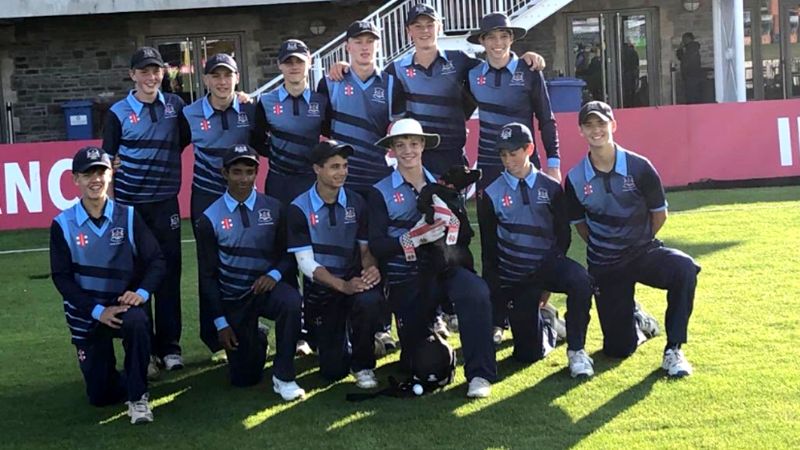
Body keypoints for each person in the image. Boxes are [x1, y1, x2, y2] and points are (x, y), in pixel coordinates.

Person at [329, 4, 545, 179]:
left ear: (439, 28)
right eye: (418, 26)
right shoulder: (396, 69)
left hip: (452, 155)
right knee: (422, 225)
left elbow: (494, 67)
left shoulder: (459, 59)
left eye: (430, 25)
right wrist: (344, 66)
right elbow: (371, 80)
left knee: (455, 226)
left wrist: (525, 57)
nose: (424, 31)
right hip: (417, 157)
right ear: (409, 32)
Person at [564, 101, 700, 378]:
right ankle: (636, 317)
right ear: (581, 131)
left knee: (684, 268)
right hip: (605, 263)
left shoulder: (639, 167)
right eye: (589, 125)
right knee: (618, 349)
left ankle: (674, 349)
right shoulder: (575, 178)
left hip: (642, 253)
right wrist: (608, 247)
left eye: (601, 123)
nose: (596, 130)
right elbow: (581, 227)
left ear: (613, 125)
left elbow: (658, 215)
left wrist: (637, 242)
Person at [368, 118, 496, 398]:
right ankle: (427, 348)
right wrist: (411, 239)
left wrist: (448, 228)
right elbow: (377, 245)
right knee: (421, 362)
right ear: (391, 149)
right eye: (400, 145)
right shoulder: (379, 191)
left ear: (423, 145)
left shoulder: (443, 182)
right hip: (407, 279)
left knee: (476, 292)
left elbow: (464, 235)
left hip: (445, 270)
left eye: (414, 143)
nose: (408, 150)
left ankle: (479, 375)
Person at [50, 146, 165, 424]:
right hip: (88, 312)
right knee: (100, 396)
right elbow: (61, 278)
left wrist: (141, 292)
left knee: (137, 322)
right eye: (88, 174)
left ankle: (138, 397)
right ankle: (128, 372)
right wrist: (97, 311)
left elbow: (157, 259)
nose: (95, 179)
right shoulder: (63, 224)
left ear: (110, 175)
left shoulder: (127, 215)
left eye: (101, 172)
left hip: (123, 305)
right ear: (75, 179)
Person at [465, 12, 561, 344]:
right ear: (482, 42)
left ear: (512, 39)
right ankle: (497, 317)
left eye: (504, 36)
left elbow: (546, 119)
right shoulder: (472, 75)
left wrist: (554, 162)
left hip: (526, 167)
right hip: (490, 170)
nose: (497, 42)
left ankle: (538, 301)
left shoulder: (529, 70)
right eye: (490, 37)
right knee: (492, 246)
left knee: (535, 237)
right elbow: (454, 112)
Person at [480, 123, 594, 377]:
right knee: (527, 355)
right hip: (515, 277)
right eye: (503, 155)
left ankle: (577, 350)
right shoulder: (490, 193)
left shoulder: (551, 187)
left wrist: (547, 279)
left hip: (546, 266)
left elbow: (562, 236)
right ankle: (549, 323)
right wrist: (498, 301)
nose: (508, 160)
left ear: (529, 149)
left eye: (514, 153)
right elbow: (489, 250)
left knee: (580, 280)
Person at [317, 20, 403, 353]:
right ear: (347, 47)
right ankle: (345, 326)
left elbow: (397, 130)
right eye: (358, 42)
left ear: (377, 46)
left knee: (378, 252)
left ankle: (382, 327)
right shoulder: (331, 82)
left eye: (370, 41)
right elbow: (322, 127)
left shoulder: (392, 83)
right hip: (342, 184)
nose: (365, 47)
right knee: (344, 251)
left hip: (377, 183)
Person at [102, 47, 189, 376]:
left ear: (162, 74)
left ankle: (170, 348)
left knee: (168, 275)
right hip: (131, 206)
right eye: (145, 71)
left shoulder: (175, 106)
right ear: (133, 75)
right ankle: (147, 350)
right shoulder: (118, 112)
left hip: (165, 201)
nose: (151, 77)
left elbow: (181, 141)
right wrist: (112, 209)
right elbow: (107, 163)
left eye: (156, 71)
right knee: (138, 278)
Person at [194, 144, 305, 400]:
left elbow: (289, 254)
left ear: (257, 172)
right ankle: (257, 337)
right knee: (244, 378)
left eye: (249, 172)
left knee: (291, 301)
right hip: (235, 299)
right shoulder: (209, 218)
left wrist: (274, 275)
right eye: (237, 172)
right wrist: (221, 323)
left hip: (267, 290)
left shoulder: (275, 208)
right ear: (225, 173)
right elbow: (208, 276)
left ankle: (284, 375)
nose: (244, 179)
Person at [180, 53, 259, 362]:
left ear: (236, 78)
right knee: (209, 267)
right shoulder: (188, 113)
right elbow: (170, 145)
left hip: (240, 199)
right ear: (206, 80)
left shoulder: (250, 110)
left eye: (228, 75)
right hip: (205, 197)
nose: (222, 81)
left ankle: (246, 328)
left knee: (242, 262)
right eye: (216, 76)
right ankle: (214, 338)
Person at [287, 140, 383, 388]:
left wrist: (370, 269)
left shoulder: (357, 202)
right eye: (334, 166)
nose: (342, 172)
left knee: (369, 300)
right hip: (323, 292)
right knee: (333, 371)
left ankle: (364, 365)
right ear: (317, 169)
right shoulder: (298, 208)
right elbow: (305, 263)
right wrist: (342, 285)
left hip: (352, 282)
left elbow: (365, 250)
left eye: (345, 165)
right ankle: (341, 343)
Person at [253, 39, 329, 206]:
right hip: (279, 180)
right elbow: (256, 139)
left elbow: (331, 133)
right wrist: (277, 154)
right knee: (280, 230)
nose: (294, 66)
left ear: (309, 62)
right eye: (288, 62)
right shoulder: (266, 101)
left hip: (311, 179)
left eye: (299, 61)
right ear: (279, 65)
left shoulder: (322, 100)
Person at [676, 32, 703, 104]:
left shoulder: (692, 49)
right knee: (693, 97)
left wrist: (680, 49)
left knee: (691, 97)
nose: (683, 41)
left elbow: (683, 59)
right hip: (691, 76)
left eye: (684, 39)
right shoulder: (690, 48)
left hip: (691, 76)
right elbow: (681, 58)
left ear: (688, 39)